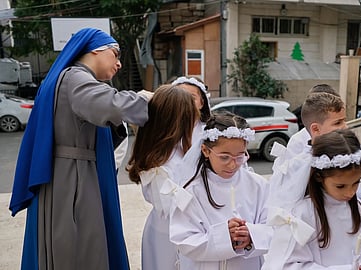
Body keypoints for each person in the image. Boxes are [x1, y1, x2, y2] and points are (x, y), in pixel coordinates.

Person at [9, 28, 153, 270]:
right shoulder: (76, 77)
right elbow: (111, 105)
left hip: (72, 171)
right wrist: (147, 99)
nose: (118, 64)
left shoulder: (69, 78)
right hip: (73, 178)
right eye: (115, 54)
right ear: (96, 49)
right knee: (80, 243)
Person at [263, 129, 361, 269]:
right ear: (319, 177)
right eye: (340, 186)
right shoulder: (302, 214)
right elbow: (290, 264)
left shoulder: (358, 208)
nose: (350, 192)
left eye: (356, 183)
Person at [169, 111, 272, 270]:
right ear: (205, 150)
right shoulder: (191, 191)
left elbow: (274, 227)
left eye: (240, 157)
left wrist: (251, 235)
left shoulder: (258, 185)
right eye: (224, 157)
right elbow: (183, 239)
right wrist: (224, 237)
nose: (233, 165)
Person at [127, 84, 199, 270]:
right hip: (173, 233)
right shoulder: (164, 162)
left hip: (163, 229)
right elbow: (173, 206)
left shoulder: (168, 151)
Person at [286, 91, 346, 157]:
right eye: (337, 123)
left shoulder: (351, 154)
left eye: (344, 121)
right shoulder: (303, 164)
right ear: (316, 129)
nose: (345, 127)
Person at [171, 76, 211, 140]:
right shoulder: (166, 129)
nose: (186, 101)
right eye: (180, 96)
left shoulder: (208, 130)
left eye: (192, 98)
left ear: (202, 103)